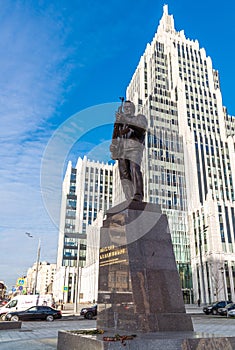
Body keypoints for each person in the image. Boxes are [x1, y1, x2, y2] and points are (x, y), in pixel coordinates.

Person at [110, 100, 147, 201]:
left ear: (133, 109)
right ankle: (129, 198)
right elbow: (116, 139)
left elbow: (141, 127)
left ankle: (138, 196)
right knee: (124, 176)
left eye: (128, 107)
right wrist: (114, 147)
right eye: (125, 107)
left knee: (134, 169)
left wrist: (124, 119)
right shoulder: (121, 125)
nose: (126, 109)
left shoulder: (139, 118)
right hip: (122, 152)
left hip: (134, 149)